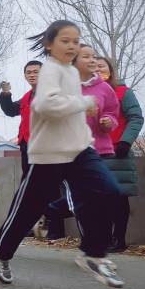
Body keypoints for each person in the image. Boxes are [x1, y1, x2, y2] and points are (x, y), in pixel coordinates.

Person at [0, 21, 124, 288]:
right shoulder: (50, 70)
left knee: (109, 191)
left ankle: (93, 254)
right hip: (50, 153)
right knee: (28, 209)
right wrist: (84, 102)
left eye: (76, 40)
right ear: (49, 44)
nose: (72, 45)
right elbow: (46, 104)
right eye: (65, 40)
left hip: (80, 148)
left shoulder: (70, 73)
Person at [42, 45, 120, 237]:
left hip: (100, 149)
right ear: (73, 61)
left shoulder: (104, 88)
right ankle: (90, 245)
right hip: (71, 151)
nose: (94, 60)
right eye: (86, 57)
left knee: (106, 192)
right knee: (80, 197)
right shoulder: (63, 86)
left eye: (94, 56)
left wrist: (109, 121)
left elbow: (113, 112)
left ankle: (47, 212)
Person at [95, 56, 143, 252]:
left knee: (118, 197)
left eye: (102, 66)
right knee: (98, 199)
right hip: (94, 152)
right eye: (94, 66)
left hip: (117, 151)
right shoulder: (88, 93)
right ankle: (102, 238)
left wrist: (125, 141)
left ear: (110, 70)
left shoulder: (123, 91)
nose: (98, 69)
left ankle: (119, 239)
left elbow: (136, 118)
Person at [0, 60, 42, 173]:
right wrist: (6, 93)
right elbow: (10, 110)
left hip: (43, 146)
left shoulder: (51, 94)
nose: (32, 75)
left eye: (36, 72)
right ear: (25, 76)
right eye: (28, 73)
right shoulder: (26, 97)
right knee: (29, 179)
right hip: (26, 145)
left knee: (48, 182)